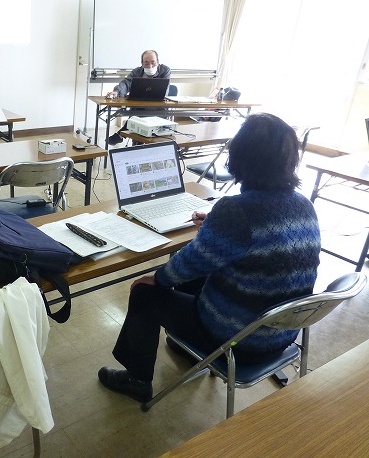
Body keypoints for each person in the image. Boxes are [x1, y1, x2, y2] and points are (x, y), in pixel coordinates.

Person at [98, 113, 321, 403]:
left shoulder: (236, 211)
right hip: (282, 332)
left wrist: (156, 278)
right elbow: (258, 245)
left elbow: (187, 264)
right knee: (199, 276)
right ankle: (186, 348)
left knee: (144, 292)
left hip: (239, 340)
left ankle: (137, 380)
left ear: (239, 155)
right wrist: (216, 230)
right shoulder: (304, 205)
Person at [106, 50, 171, 145]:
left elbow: (164, 90)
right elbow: (126, 83)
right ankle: (125, 134)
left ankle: (122, 132)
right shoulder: (137, 72)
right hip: (139, 107)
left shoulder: (165, 70)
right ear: (142, 64)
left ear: (158, 62)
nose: (150, 66)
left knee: (141, 116)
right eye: (146, 63)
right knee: (139, 113)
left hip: (158, 109)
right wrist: (116, 91)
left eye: (153, 62)